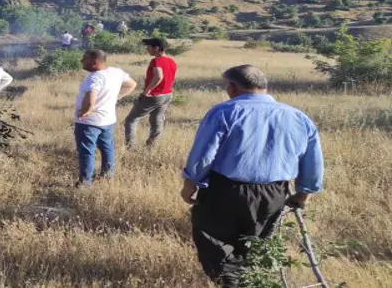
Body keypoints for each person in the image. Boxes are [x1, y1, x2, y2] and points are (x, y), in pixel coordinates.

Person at [181, 65, 324, 287]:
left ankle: (234, 283)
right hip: (274, 193)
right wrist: (303, 194)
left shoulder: (224, 112)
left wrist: (191, 182)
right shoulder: (298, 117)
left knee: (215, 245)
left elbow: (203, 155)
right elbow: (312, 160)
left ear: (232, 87)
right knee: (253, 246)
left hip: (226, 190)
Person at [72, 50, 138, 186]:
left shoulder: (95, 77)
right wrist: (116, 97)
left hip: (89, 122)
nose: (81, 61)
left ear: (94, 62)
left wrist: (84, 112)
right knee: (107, 148)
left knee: (86, 151)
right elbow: (132, 84)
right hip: (107, 120)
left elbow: (90, 100)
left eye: (85, 58)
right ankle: (108, 176)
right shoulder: (117, 72)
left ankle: (85, 183)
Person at [123, 37, 178, 149]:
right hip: (167, 95)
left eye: (148, 47)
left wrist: (147, 91)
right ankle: (151, 146)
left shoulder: (156, 61)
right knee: (157, 120)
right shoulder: (172, 61)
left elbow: (158, 76)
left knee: (131, 120)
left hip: (154, 95)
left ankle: (130, 147)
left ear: (156, 48)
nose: (147, 49)